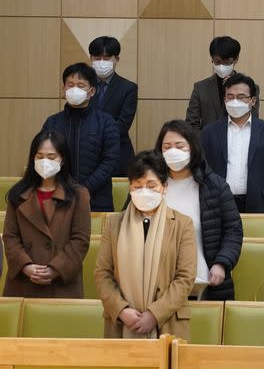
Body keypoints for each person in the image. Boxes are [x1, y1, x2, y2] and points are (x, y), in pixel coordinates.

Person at [95, 151, 196, 340]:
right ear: (130, 187)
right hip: (121, 325)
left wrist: (154, 314)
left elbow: (185, 277)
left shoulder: (182, 224)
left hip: (167, 325)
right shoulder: (113, 224)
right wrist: (122, 310)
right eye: (138, 186)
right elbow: (102, 274)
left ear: (164, 187)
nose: (144, 192)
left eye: (151, 186)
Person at [157, 120, 243, 300]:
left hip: (203, 281)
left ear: (193, 148)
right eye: (167, 147)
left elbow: (233, 231)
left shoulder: (215, 186)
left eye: (179, 146)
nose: (173, 151)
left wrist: (221, 263)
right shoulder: (149, 184)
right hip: (156, 283)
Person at [2, 131, 90, 298]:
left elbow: (80, 240)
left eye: (51, 157)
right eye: (40, 156)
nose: (44, 162)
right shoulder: (18, 193)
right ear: (33, 158)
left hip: (61, 283)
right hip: (23, 282)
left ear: (62, 160)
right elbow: (10, 237)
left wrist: (55, 269)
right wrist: (26, 266)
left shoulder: (79, 195)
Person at [42, 63, 120, 212]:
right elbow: (43, 157)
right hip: (57, 197)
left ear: (92, 91)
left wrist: (84, 189)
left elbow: (109, 161)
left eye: (80, 85)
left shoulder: (106, 122)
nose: (74, 89)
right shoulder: (52, 122)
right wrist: (62, 188)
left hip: (97, 200)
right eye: (70, 85)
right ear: (63, 89)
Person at [202, 73, 264, 214]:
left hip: (257, 204)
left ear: (252, 101)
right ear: (224, 99)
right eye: (230, 96)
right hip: (219, 204)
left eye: (241, 97)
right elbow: (203, 171)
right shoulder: (210, 131)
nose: (235, 101)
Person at [88, 36, 138, 177]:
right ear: (91, 58)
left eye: (107, 58)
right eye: (97, 58)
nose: (102, 62)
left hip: (118, 154)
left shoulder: (128, 88)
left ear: (116, 59)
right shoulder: (83, 87)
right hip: (87, 155)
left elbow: (123, 124)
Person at [186, 36, 260, 130]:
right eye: (217, 62)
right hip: (207, 142)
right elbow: (191, 124)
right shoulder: (200, 88)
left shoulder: (251, 88)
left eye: (227, 62)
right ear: (212, 59)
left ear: (236, 59)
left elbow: (253, 120)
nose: (221, 66)